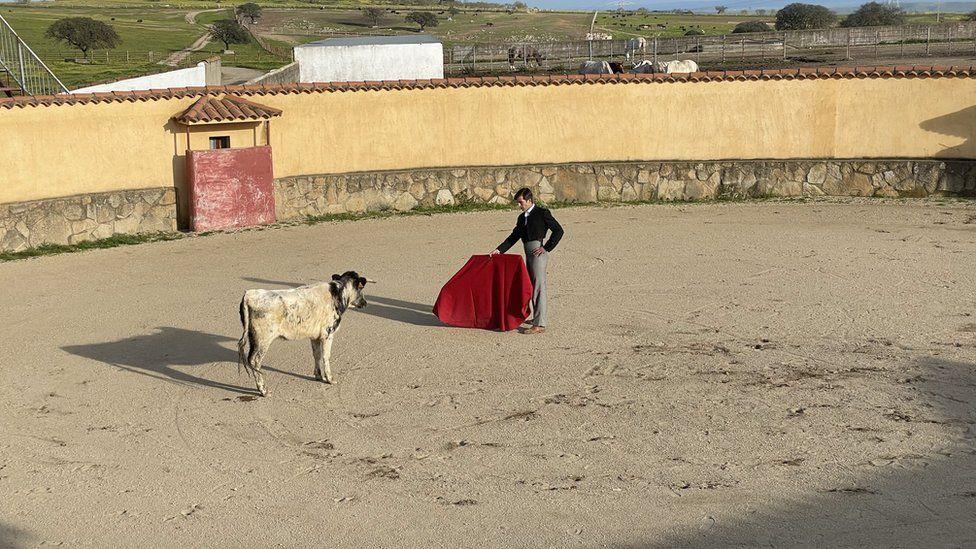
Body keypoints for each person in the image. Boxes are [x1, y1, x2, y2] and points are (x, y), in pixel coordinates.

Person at [490, 187, 564, 334]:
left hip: (538, 253)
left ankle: (540, 324)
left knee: (538, 287)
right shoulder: (521, 218)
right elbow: (513, 237)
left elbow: (558, 230)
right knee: (531, 286)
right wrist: (499, 250)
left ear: (529, 200)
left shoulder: (542, 213)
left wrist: (546, 248)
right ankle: (537, 317)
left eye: (521, 202)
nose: (519, 205)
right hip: (528, 253)